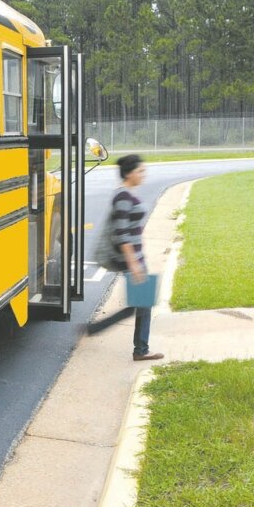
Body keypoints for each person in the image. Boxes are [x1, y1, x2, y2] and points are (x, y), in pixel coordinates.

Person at [87, 154, 163, 361]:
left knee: (139, 304)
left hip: (136, 257)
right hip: (132, 260)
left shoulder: (127, 194)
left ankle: (97, 329)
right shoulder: (123, 197)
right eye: (140, 171)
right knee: (144, 304)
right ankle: (141, 350)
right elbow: (122, 235)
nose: (143, 174)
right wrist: (134, 265)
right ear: (129, 173)